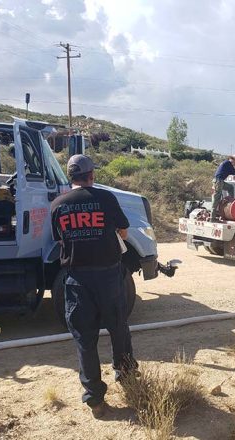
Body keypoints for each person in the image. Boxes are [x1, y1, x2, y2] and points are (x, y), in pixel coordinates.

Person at [51, 154, 137, 418]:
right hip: (109, 277)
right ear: (92, 175)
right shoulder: (106, 199)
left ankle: (95, 401)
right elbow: (123, 229)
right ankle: (127, 377)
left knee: (84, 339)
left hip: (77, 280)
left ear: (70, 176)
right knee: (118, 328)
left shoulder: (58, 204)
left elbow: (59, 239)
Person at [211, 156, 235, 221]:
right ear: (231, 160)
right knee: (216, 199)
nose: (234, 164)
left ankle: (230, 202)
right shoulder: (228, 163)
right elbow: (233, 171)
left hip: (220, 181)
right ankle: (212, 218)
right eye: (234, 162)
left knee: (230, 187)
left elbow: (232, 172)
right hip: (218, 181)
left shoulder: (226, 164)